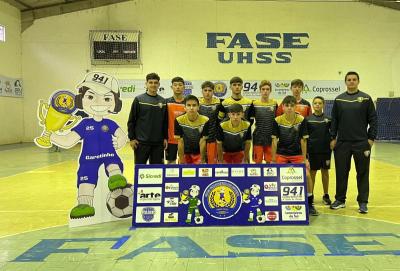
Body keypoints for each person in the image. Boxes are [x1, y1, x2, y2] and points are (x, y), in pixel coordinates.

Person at [50, 71, 128, 219]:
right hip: (88, 159)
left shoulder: (110, 123)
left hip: (109, 155)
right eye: (91, 96)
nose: (98, 102)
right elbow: (68, 140)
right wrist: (52, 136)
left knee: (113, 165)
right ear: (81, 100)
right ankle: (85, 204)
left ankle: (115, 177)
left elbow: (122, 135)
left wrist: (120, 141)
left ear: (115, 103)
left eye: (106, 98)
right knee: (86, 178)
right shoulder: (84, 124)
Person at [330, 71, 377, 214]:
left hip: (361, 143)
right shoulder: (339, 100)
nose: (351, 81)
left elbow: (373, 120)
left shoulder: (366, 98)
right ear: (345, 82)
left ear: (358, 81)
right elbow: (334, 121)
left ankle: (363, 202)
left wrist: (370, 138)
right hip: (342, 143)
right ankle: (340, 200)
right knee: (341, 173)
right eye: (349, 79)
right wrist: (333, 138)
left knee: (362, 173)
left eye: (354, 79)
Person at [271, 95, 318, 216]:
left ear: (295, 106)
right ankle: (275, 202)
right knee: (274, 176)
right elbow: (274, 140)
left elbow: (303, 140)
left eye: (292, 105)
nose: (289, 108)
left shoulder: (302, 120)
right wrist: (273, 159)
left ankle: (309, 202)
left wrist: (304, 159)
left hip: (297, 155)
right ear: (282, 107)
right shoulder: (277, 120)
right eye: (287, 106)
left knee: (307, 175)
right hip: (281, 154)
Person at [127, 72, 167, 164]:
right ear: (146, 84)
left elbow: (165, 122)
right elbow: (131, 120)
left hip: (158, 143)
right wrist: (132, 138)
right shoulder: (139, 100)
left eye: (155, 83)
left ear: (159, 84)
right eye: (151, 82)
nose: (153, 85)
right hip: (141, 143)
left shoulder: (163, 101)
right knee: (140, 170)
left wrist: (165, 138)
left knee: (158, 172)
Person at [306, 96, 332, 205]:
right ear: (312, 105)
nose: (317, 105)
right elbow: (305, 136)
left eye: (320, 103)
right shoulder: (307, 119)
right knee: (312, 173)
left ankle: (326, 195)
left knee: (325, 172)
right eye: (315, 103)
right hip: (312, 151)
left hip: (325, 151)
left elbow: (333, 133)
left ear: (323, 105)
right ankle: (310, 195)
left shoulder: (329, 119)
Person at [248, 80, 277, 163]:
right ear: (260, 90)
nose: (265, 91)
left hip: (271, 138)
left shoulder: (274, 104)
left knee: (270, 163)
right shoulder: (254, 104)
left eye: (267, 89)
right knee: (258, 163)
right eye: (263, 89)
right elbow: (250, 122)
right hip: (258, 137)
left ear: (270, 91)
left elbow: (277, 122)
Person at [175, 95, 209, 164]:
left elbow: (202, 141)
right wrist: (181, 161)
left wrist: (202, 160)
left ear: (198, 107)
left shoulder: (205, 120)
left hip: (199, 153)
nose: (191, 108)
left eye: (194, 105)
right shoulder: (178, 120)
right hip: (185, 153)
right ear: (184, 107)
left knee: (201, 174)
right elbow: (180, 142)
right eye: (188, 105)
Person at [199, 81, 222, 164]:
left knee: (212, 163)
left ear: (213, 92)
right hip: (200, 138)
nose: (207, 93)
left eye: (210, 90)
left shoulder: (218, 103)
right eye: (205, 90)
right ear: (202, 91)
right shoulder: (198, 103)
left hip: (213, 138)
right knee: (201, 163)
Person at [165, 77, 186, 164]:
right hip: (170, 140)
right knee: (171, 164)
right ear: (171, 87)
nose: (178, 87)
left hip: (185, 140)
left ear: (184, 87)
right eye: (175, 85)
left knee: (184, 163)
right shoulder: (166, 102)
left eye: (180, 85)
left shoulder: (189, 103)